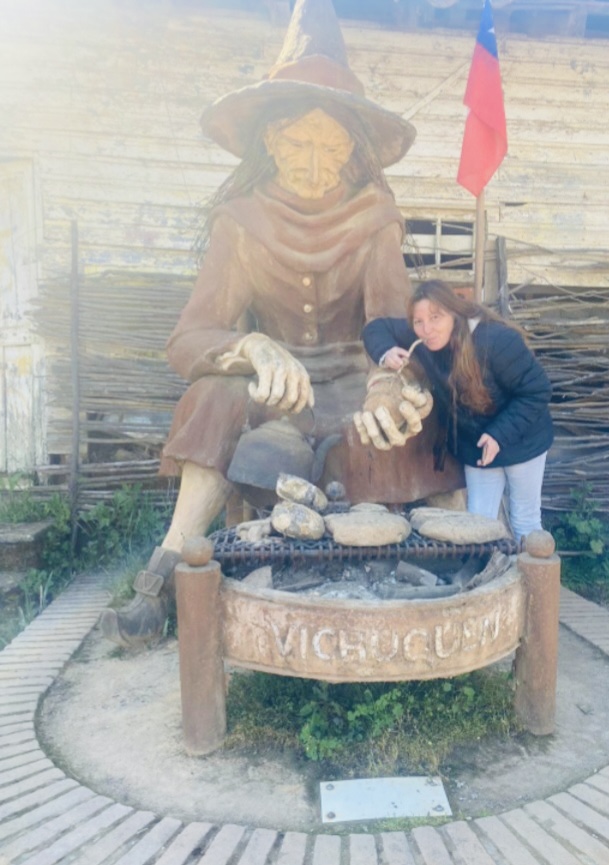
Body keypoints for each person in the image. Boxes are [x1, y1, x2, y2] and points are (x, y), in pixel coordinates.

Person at [99, 0, 463, 647]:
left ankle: (460, 568)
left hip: (353, 390)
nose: (315, 162)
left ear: (351, 149)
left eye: (330, 145)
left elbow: (390, 327)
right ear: (269, 140)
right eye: (298, 142)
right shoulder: (241, 222)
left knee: (419, 416)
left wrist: (391, 385)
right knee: (212, 395)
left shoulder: (374, 218)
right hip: (274, 399)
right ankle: (162, 578)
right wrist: (252, 347)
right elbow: (189, 339)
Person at [362, 279, 554, 541]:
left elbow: (537, 391)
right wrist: (385, 352)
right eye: (418, 321)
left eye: (435, 317)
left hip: (523, 439)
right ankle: (493, 567)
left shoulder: (497, 340)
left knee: (525, 520)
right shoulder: (424, 339)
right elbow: (376, 328)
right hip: (476, 444)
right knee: (478, 523)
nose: (427, 329)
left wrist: (498, 435)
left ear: (454, 312)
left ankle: (533, 567)